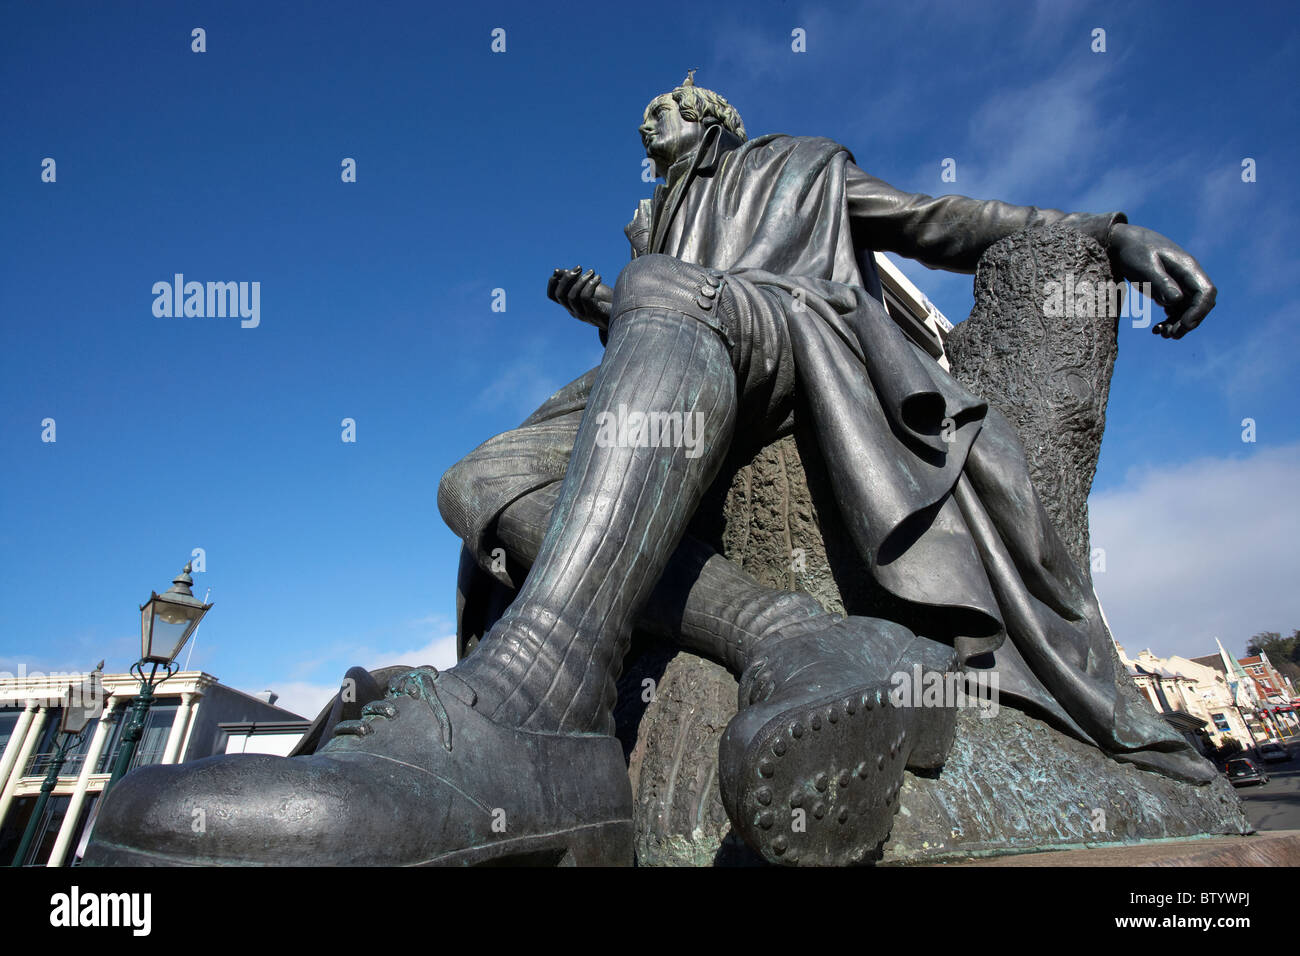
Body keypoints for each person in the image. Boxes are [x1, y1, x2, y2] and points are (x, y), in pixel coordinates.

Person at [85, 75, 1218, 868]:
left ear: (715, 120)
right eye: (647, 119)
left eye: (669, 110)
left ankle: (539, 701)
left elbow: (941, 219)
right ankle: (792, 638)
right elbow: (655, 371)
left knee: (667, 292)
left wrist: (1105, 235)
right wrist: (612, 305)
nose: (653, 124)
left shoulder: (803, 166)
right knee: (479, 477)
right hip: (689, 354)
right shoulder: (650, 223)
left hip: (801, 341)